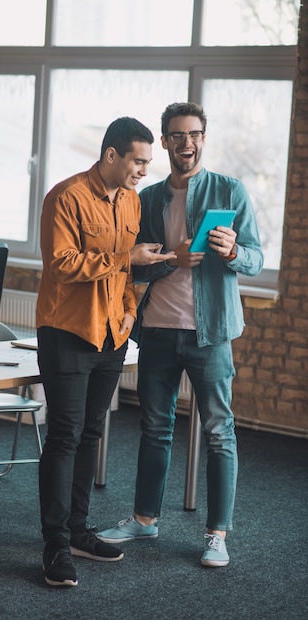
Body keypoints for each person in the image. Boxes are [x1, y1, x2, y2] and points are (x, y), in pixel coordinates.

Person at [97, 102, 263, 567]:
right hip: (157, 331)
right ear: (165, 141)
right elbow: (132, 265)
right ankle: (144, 520)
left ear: (203, 138)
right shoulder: (145, 198)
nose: (185, 142)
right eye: (175, 135)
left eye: (193, 134)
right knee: (155, 428)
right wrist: (169, 259)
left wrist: (232, 252)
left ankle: (216, 535)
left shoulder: (229, 191)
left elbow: (256, 259)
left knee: (218, 431)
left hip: (210, 333)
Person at [36, 116, 177, 587]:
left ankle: (78, 531)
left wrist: (135, 298)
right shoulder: (66, 196)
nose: (143, 170)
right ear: (112, 155)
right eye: (138, 161)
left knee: (92, 434)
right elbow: (61, 265)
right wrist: (127, 259)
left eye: (147, 163)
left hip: (113, 335)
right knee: (64, 436)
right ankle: (54, 544)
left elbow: (124, 274)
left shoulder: (132, 202)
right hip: (69, 331)